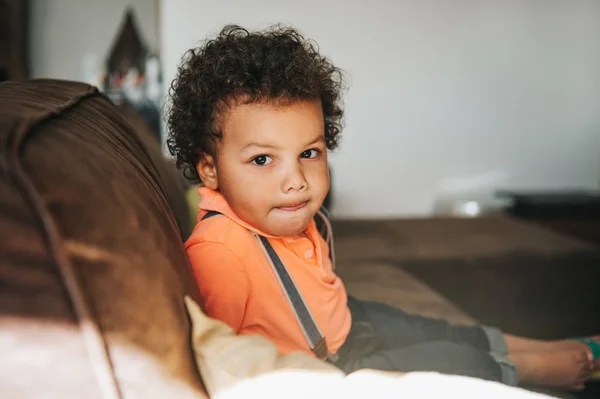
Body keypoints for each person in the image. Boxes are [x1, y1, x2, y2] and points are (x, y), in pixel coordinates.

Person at [167, 24, 599, 391]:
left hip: (347, 322)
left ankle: (538, 344)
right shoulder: (219, 254)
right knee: (443, 359)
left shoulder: (278, 210)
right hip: (333, 366)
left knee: (432, 327)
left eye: (310, 152)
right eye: (262, 159)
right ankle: (534, 368)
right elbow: (225, 362)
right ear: (210, 169)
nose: (295, 179)